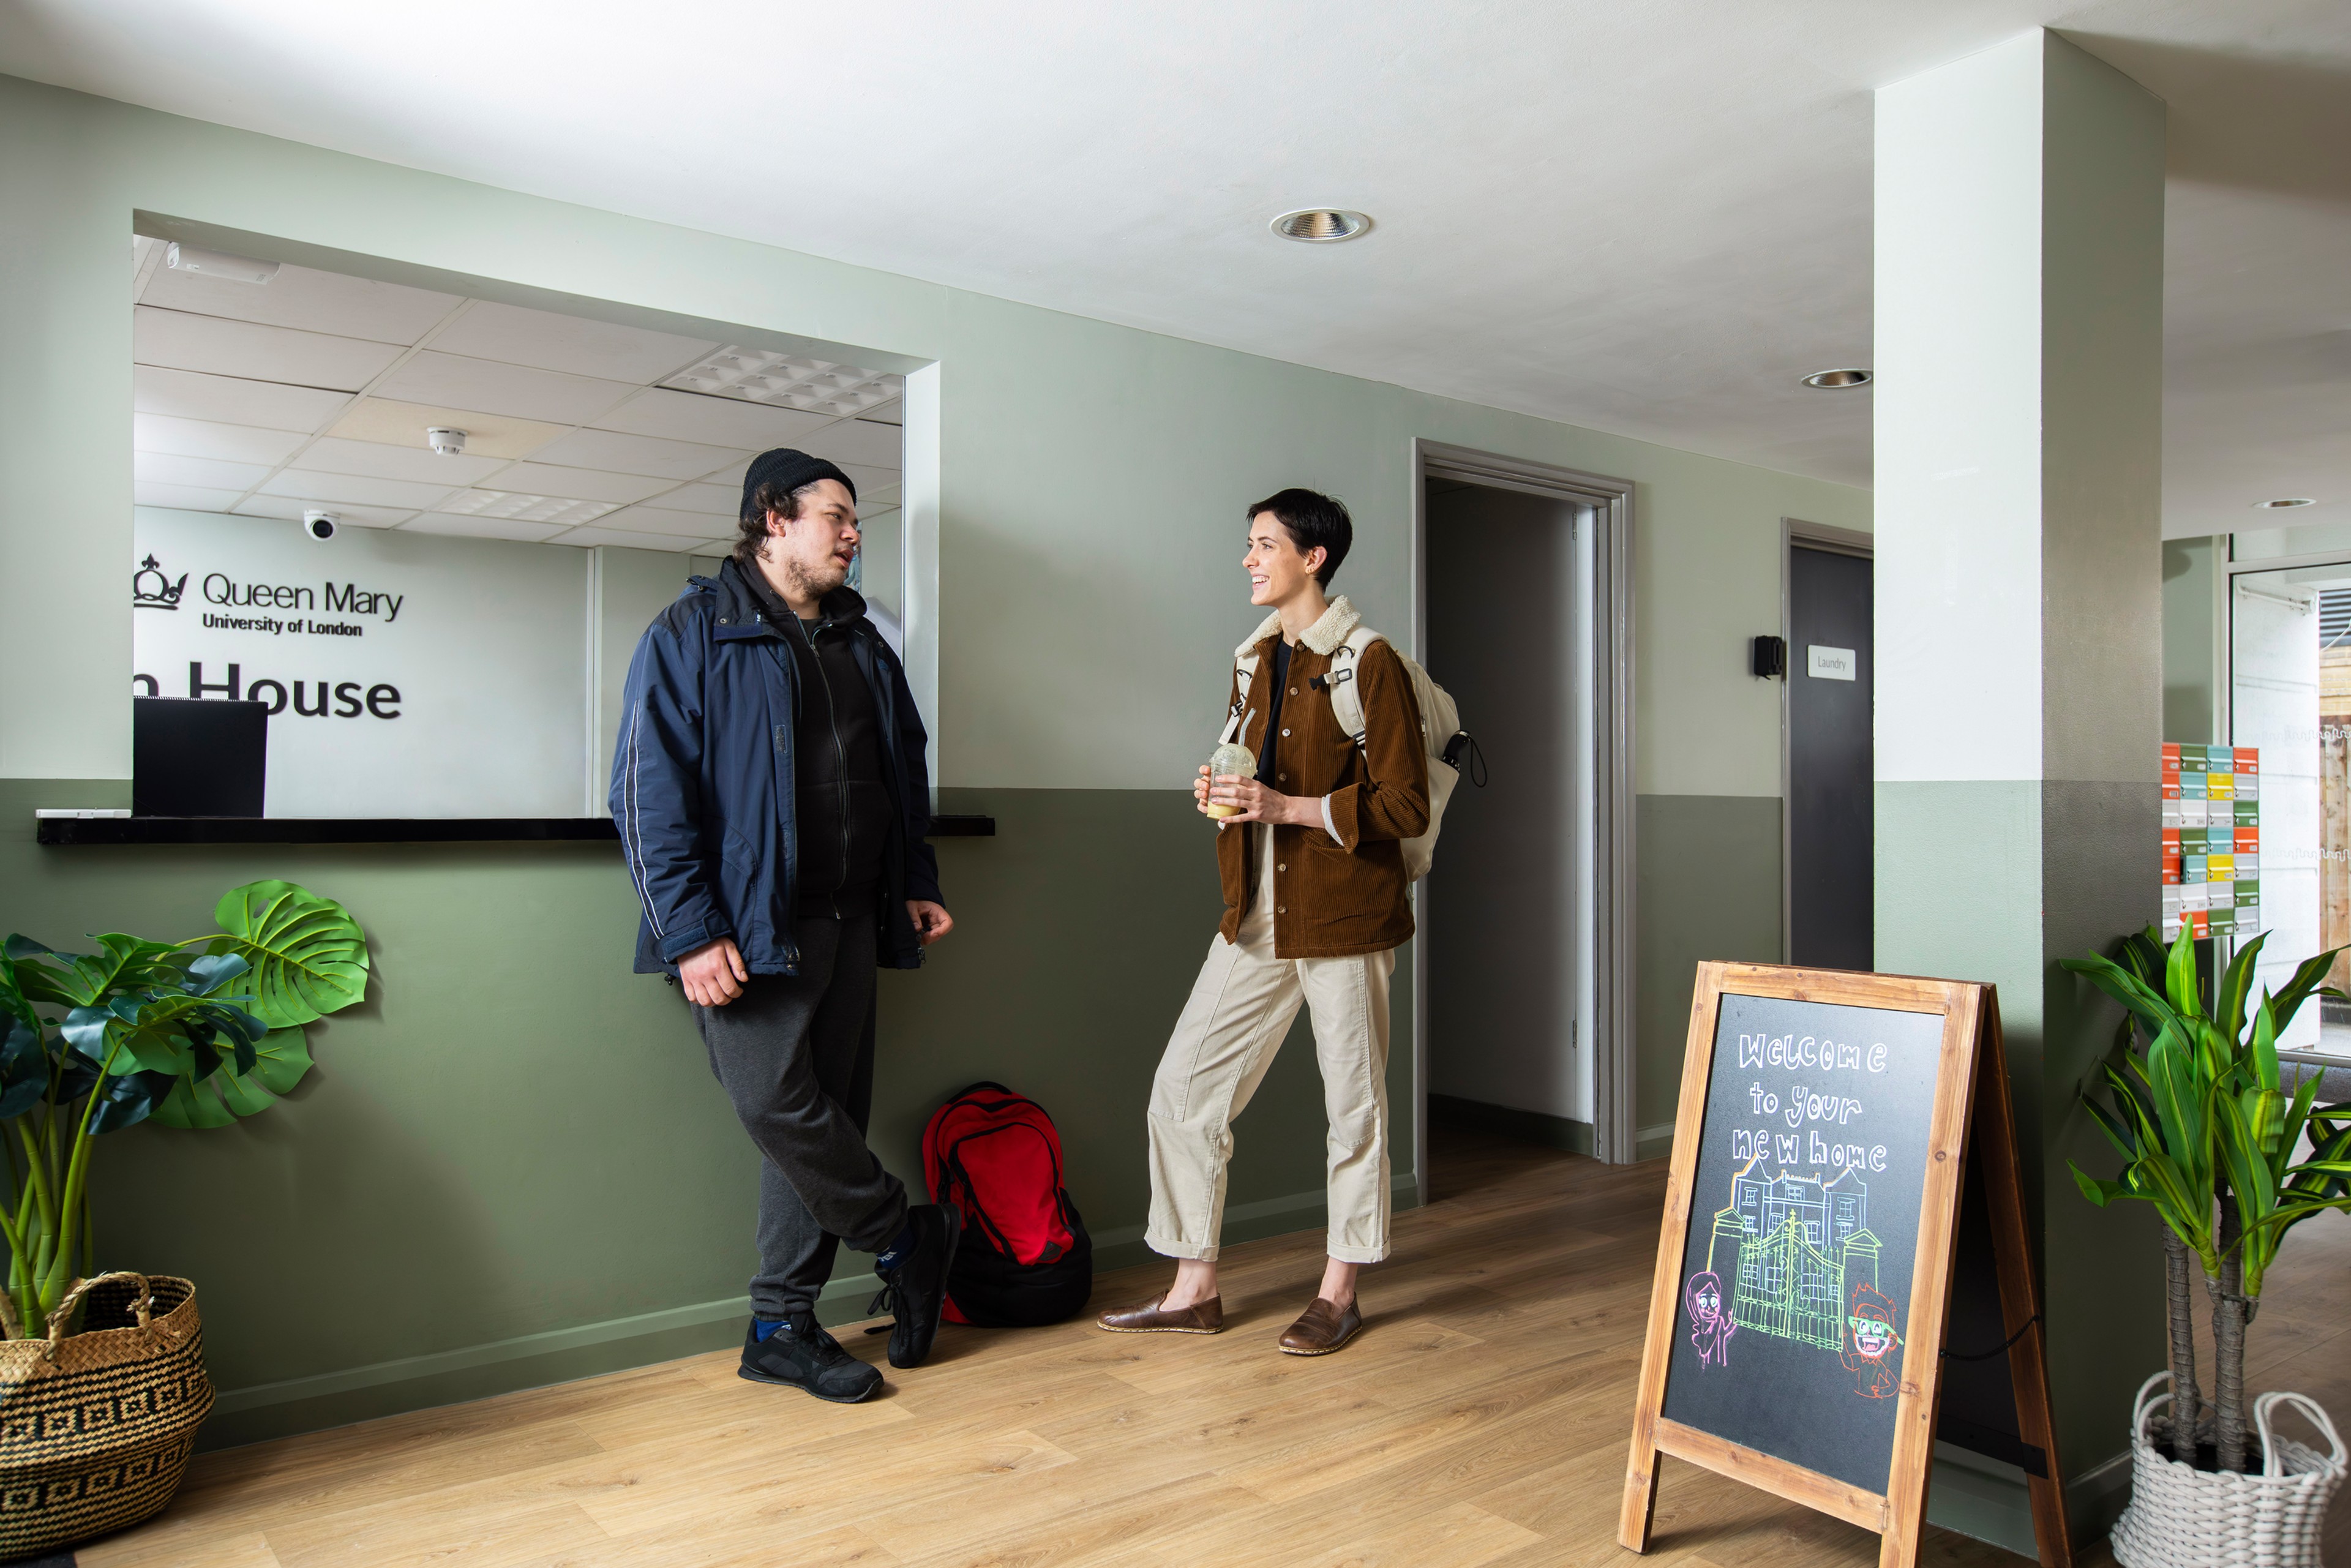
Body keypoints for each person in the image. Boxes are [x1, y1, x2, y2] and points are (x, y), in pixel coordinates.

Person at [612, 447, 961, 1404]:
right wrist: (689, 931)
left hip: (854, 916)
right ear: (773, 518)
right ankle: (904, 1232)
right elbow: (646, 796)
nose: (854, 535)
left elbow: (903, 772)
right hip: (750, 927)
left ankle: (780, 1324)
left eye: (855, 522)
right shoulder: (694, 632)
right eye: (837, 516)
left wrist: (914, 879)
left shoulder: (861, 642)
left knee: (822, 1125)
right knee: (776, 1104)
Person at [1098, 488, 1428, 1356]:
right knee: (1183, 1085)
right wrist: (1220, 791)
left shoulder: (1370, 661)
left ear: (1313, 557)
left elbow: (1403, 803)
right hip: (1256, 914)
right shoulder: (1253, 662)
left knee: (1352, 1109)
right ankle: (1194, 1287)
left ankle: (1340, 1288)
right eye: (1249, 544)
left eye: (1265, 544)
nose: (1249, 558)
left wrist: (1289, 805)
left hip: (1346, 919)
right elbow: (1249, 775)